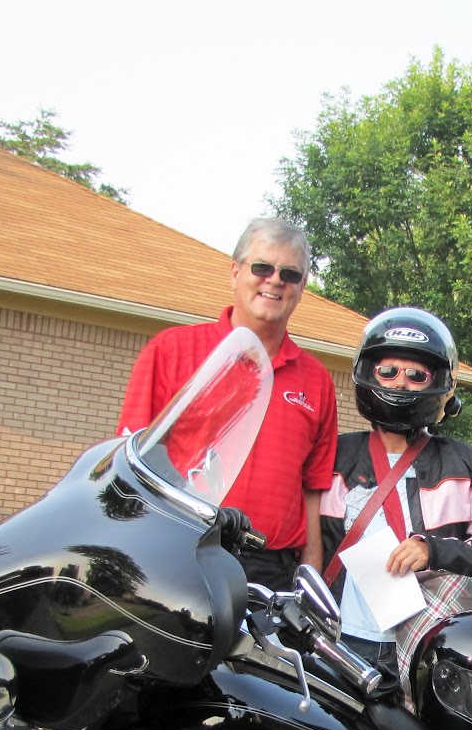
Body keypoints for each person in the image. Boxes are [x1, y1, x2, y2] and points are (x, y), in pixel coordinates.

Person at [116, 217, 338, 591]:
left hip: (271, 570)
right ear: (235, 272)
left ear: (301, 289)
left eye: (290, 274)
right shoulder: (171, 352)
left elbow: (312, 489)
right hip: (182, 553)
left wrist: (309, 576)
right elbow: (128, 464)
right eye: (262, 267)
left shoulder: (316, 380)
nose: (275, 280)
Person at [319, 307, 472, 674]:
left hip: (426, 643)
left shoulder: (470, 465)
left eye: (416, 375)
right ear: (368, 373)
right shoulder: (332, 455)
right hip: (337, 637)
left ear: (439, 382)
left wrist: (433, 550)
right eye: (388, 371)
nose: (400, 383)